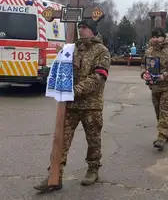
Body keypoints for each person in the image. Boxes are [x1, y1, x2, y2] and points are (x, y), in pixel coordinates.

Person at [34, 19, 111, 192]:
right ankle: (54, 175)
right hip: (70, 104)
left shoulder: (102, 51)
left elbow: (99, 77)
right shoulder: (71, 49)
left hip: (91, 105)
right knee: (61, 139)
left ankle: (93, 169)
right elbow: (61, 68)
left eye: (84, 27)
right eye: (79, 27)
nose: (81, 30)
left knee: (93, 140)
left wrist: (74, 90)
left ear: (92, 30)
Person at [140, 27, 168, 151]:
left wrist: (165, 76)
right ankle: (165, 132)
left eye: (158, 37)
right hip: (154, 87)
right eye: (153, 37)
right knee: (158, 112)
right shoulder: (149, 51)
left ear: (163, 37)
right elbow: (143, 65)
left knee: (165, 111)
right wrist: (144, 74)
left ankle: (161, 137)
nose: (155, 39)